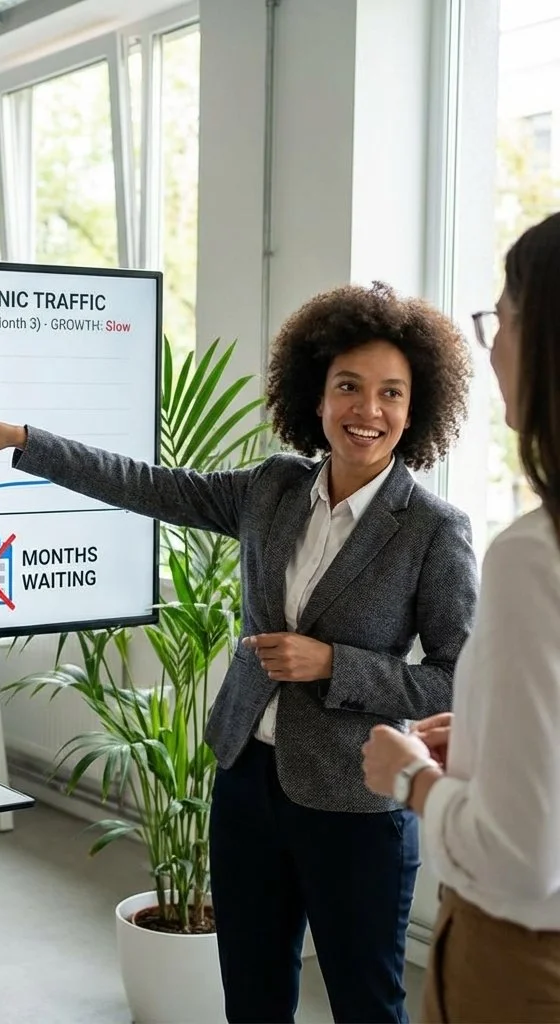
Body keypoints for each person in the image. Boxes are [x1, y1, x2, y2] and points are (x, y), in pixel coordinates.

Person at [0, 281, 478, 1024]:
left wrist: (332, 665)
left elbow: (455, 681)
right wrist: (25, 441)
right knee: (251, 994)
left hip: (355, 803)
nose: (367, 411)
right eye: (348, 386)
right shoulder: (275, 488)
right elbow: (151, 485)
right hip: (247, 778)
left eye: (390, 393)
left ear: (415, 411)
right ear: (317, 395)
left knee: (366, 1005)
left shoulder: (433, 530)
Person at [362, 211, 560, 1023]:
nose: (494, 347)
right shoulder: (272, 489)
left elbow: (522, 861)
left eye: (501, 320)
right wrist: (481, 733)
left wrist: (410, 777)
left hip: (519, 962)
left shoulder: (525, 553)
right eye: (346, 385)